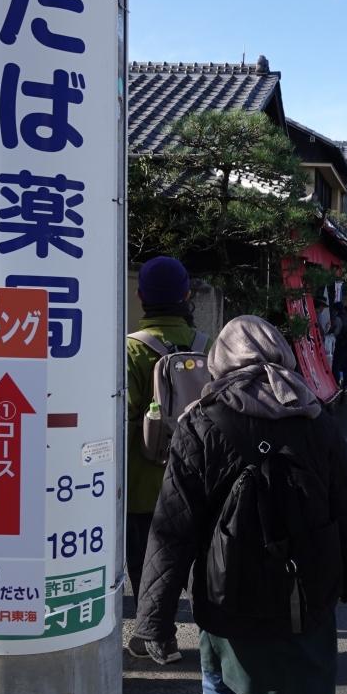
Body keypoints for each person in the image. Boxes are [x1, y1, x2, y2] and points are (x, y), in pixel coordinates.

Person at [135, 315, 347, 694]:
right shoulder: (315, 417)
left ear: (220, 362)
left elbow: (173, 529)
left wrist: (154, 619)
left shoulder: (201, 422)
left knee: (222, 686)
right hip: (305, 591)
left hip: (227, 590)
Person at [125, 255, 208, 665]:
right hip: (199, 473)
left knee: (147, 560)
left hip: (145, 476)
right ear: (187, 295)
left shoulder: (132, 349)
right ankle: (205, 632)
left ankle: (158, 636)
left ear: (141, 297)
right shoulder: (207, 345)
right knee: (194, 555)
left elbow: (124, 415)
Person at [331, 303, 347, 391]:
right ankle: (346, 385)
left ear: (336, 310)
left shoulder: (338, 318)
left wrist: (331, 330)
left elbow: (336, 332)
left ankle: (336, 385)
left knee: (336, 366)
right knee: (346, 366)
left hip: (341, 345)